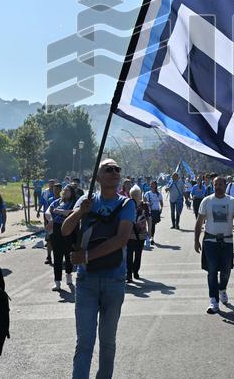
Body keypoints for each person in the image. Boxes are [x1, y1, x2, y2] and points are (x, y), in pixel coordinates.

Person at [60, 159, 135, 379]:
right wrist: (79, 213)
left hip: (114, 280)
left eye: (117, 169)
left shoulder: (126, 204)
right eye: (108, 169)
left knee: (108, 342)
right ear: (98, 177)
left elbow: (121, 239)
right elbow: (65, 231)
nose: (114, 172)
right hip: (86, 282)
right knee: (84, 342)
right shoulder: (85, 200)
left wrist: (86, 256)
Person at [195, 175, 234, 314]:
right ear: (213, 185)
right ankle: (213, 301)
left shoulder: (232, 201)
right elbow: (199, 222)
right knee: (211, 271)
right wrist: (196, 240)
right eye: (216, 185)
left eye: (221, 184)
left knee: (226, 271)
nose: (218, 187)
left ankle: (222, 289)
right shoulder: (207, 201)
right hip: (210, 241)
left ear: (225, 185)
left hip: (227, 242)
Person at [46, 187, 75, 290]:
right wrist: (50, 220)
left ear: (72, 193)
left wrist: (58, 211)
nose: (66, 192)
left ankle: (68, 275)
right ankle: (57, 282)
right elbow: (48, 212)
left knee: (68, 255)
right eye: (65, 190)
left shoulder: (74, 202)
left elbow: (71, 213)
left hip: (68, 230)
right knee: (57, 256)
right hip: (56, 229)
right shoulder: (56, 201)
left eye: (68, 190)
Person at [126, 186, 149, 283]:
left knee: (138, 254)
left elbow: (149, 218)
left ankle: (135, 271)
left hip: (141, 233)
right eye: (133, 194)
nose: (135, 196)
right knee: (129, 254)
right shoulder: (127, 204)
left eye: (137, 194)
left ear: (140, 194)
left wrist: (150, 231)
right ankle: (129, 274)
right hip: (130, 234)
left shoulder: (145, 205)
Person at [143, 182, 163, 247]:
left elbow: (161, 202)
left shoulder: (158, 194)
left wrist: (161, 209)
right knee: (149, 225)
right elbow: (144, 202)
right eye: (151, 185)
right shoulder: (147, 194)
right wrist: (147, 203)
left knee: (153, 225)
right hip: (149, 212)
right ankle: (148, 238)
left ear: (156, 186)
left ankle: (151, 238)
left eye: (153, 185)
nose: (152, 186)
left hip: (156, 211)